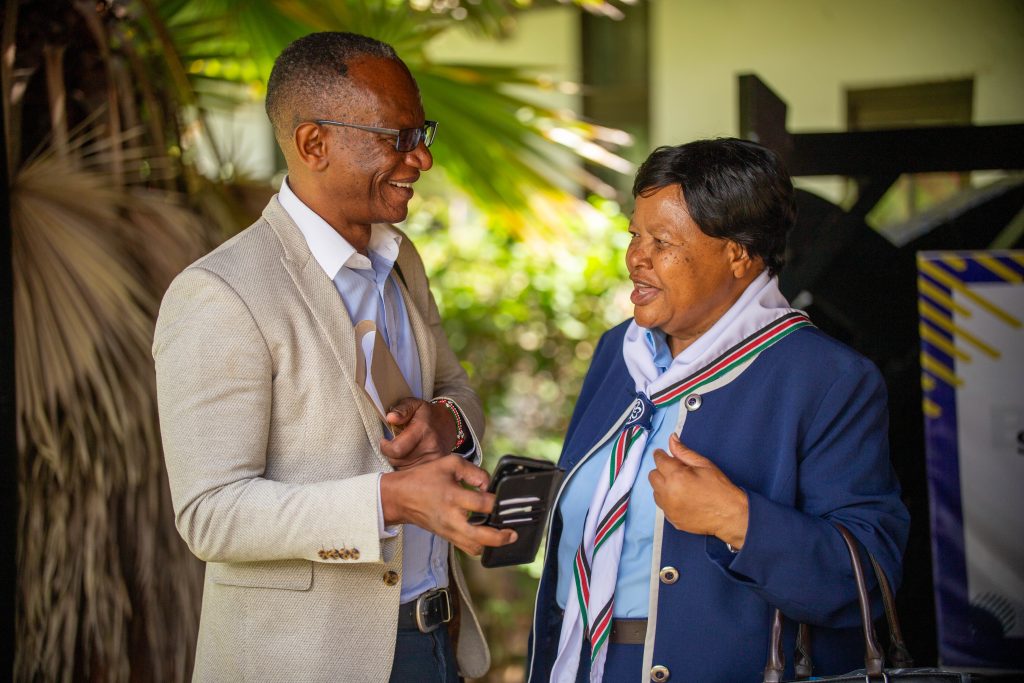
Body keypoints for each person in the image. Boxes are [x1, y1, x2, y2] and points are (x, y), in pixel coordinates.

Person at [153, 32, 515, 682]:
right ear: (314, 143)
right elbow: (210, 513)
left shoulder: (401, 258)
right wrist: (391, 499)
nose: (422, 157)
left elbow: (454, 386)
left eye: (420, 131)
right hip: (309, 661)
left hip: (437, 637)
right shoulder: (221, 292)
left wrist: (448, 423)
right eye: (396, 137)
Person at [527, 138, 910, 682]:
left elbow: (867, 581)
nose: (636, 256)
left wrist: (737, 520)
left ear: (738, 253)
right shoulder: (620, 352)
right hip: (578, 661)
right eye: (634, 235)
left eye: (662, 241)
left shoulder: (825, 378)